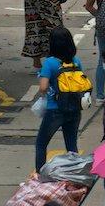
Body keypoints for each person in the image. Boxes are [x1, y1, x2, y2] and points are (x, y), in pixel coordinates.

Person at [33, 26, 83, 172]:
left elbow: (43, 87)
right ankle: (74, 176)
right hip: (74, 108)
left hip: (55, 109)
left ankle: (41, 175)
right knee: (71, 146)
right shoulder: (76, 61)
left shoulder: (50, 63)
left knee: (41, 144)